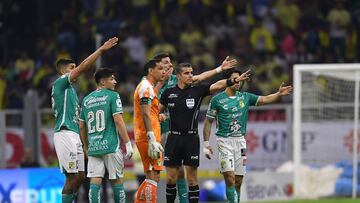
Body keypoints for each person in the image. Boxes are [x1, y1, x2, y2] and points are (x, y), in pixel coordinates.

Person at [159, 62, 251, 203]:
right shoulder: (168, 93)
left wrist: (233, 80)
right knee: (171, 178)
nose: (191, 75)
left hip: (191, 139)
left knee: (192, 179)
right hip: (173, 138)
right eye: (187, 73)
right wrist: (159, 116)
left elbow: (218, 85)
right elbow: (156, 110)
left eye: (191, 72)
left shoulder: (197, 91)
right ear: (178, 76)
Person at [202, 69, 292, 203]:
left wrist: (279, 94)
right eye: (236, 79)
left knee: (238, 180)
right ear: (228, 81)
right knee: (230, 178)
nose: (239, 82)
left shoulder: (245, 97)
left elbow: (265, 99)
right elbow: (208, 122)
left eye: (241, 79)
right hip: (224, 141)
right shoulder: (217, 100)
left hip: (240, 142)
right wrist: (206, 144)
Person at [51, 37, 118, 203]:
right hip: (65, 132)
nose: (76, 70)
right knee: (72, 176)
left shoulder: (71, 91)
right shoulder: (60, 83)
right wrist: (101, 50)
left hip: (74, 135)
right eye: (71, 68)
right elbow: (83, 67)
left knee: (81, 176)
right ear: (63, 72)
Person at [79, 68, 133, 203]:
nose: (115, 82)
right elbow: (118, 120)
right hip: (111, 145)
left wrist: (86, 146)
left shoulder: (86, 100)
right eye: (112, 79)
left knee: (95, 180)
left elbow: (81, 126)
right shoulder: (113, 96)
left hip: (94, 147)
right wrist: (127, 143)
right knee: (116, 180)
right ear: (103, 82)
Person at [133, 59, 166, 203]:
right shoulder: (145, 87)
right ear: (150, 71)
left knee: (153, 176)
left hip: (150, 136)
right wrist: (151, 138)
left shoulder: (149, 87)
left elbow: (150, 112)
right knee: (152, 175)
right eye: (160, 68)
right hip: (148, 138)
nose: (163, 71)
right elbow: (145, 113)